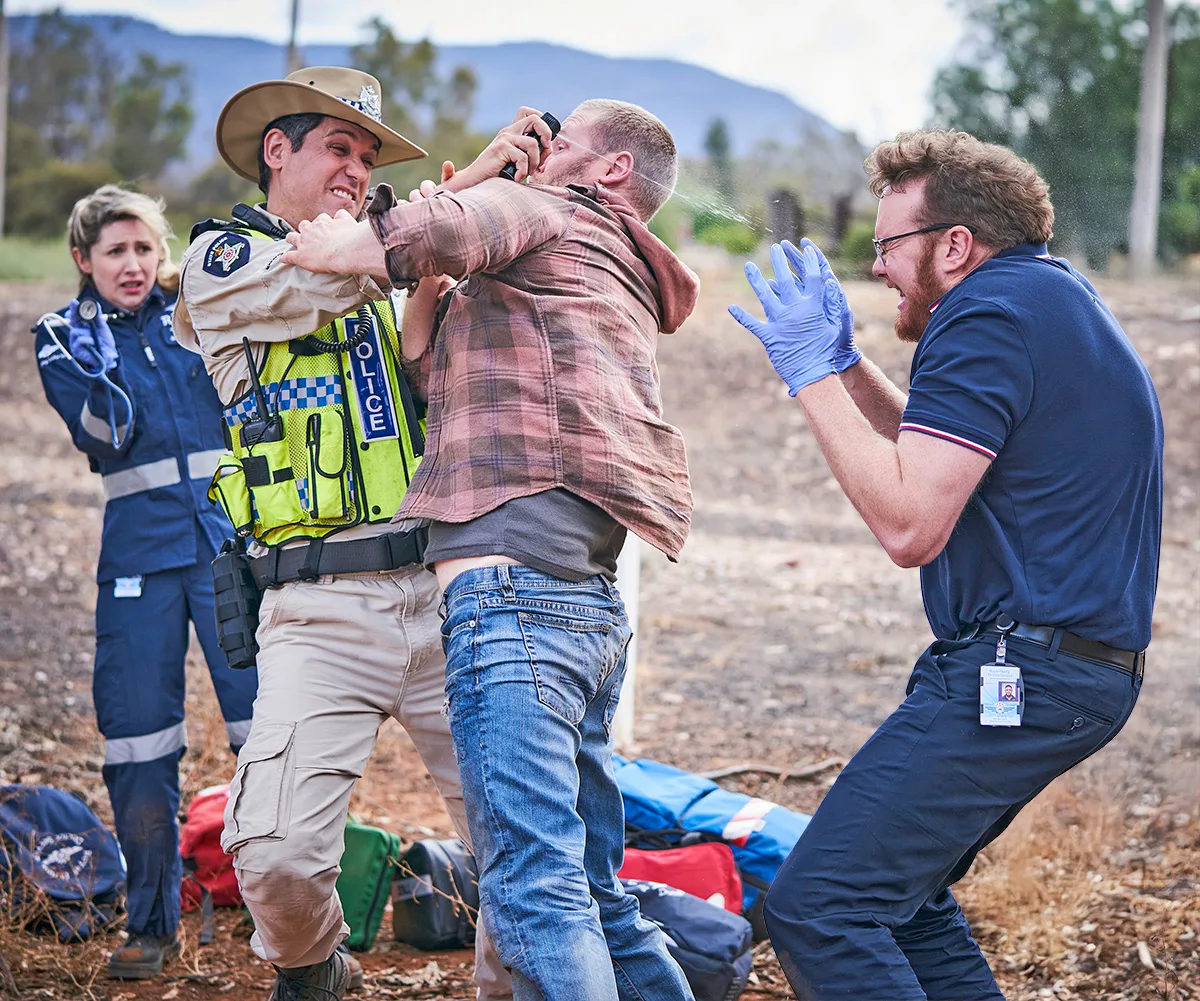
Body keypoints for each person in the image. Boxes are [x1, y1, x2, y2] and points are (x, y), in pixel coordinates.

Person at [729, 129, 1162, 1000]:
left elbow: (908, 524)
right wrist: (847, 365)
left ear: (955, 245)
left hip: (1027, 668)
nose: (880, 267)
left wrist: (807, 374)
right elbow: (940, 453)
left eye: (890, 246)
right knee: (904, 898)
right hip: (1065, 668)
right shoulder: (1045, 299)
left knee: (820, 904)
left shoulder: (985, 316)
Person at [280, 98, 698, 1001]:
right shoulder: (607, 264)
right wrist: (455, 235)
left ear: (612, 169)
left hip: (509, 592)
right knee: (589, 884)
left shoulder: (554, 211)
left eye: (566, 138)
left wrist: (349, 234)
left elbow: (397, 239)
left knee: (532, 888)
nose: (545, 150)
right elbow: (430, 366)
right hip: (585, 604)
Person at [171, 66, 513, 1001]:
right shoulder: (223, 261)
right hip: (318, 606)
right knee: (276, 856)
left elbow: (419, 376)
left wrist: (441, 271)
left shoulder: (383, 267)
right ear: (275, 151)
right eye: (338, 147)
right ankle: (316, 965)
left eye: (367, 156)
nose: (357, 168)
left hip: (446, 587)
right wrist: (467, 186)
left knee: (523, 847)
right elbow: (320, 281)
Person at [33, 185, 257, 980]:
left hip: (232, 546)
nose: (132, 265)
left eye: (143, 248)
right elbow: (107, 436)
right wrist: (104, 360)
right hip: (137, 561)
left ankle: (292, 915)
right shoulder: (61, 338)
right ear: (82, 260)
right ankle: (150, 923)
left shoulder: (198, 311)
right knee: (138, 743)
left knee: (269, 731)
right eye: (114, 252)